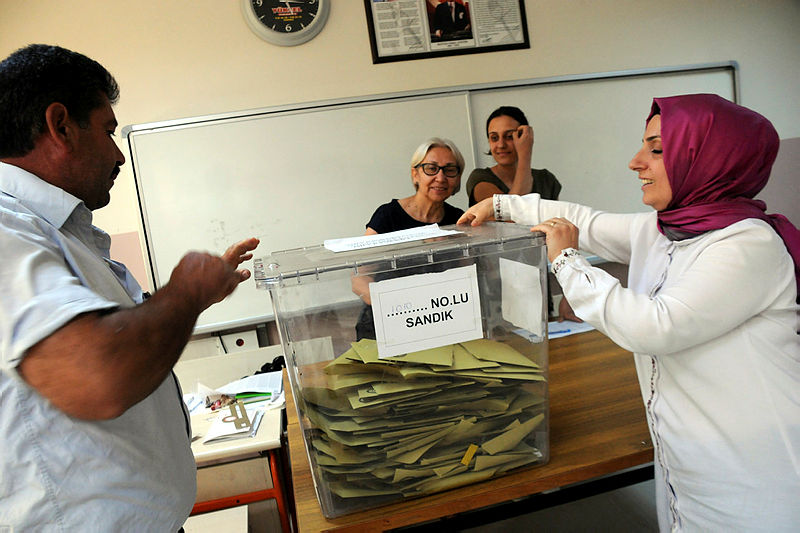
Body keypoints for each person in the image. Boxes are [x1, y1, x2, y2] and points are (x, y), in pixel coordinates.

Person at [459, 93, 800, 531]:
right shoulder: (664, 230)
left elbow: (655, 326)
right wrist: (503, 206)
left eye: (657, 149)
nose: (636, 161)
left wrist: (567, 263)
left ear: (709, 159)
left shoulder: (747, 244)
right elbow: (585, 219)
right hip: (687, 466)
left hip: (754, 475)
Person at [0, 44, 259, 530]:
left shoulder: (55, 231)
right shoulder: (7, 228)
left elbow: (116, 341)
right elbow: (97, 376)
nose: (118, 154)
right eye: (108, 131)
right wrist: (186, 290)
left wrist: (193, 297)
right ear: (60, 126)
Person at [467, 106, 578, 321]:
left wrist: (569, 293)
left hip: (536, 279)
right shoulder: (479, 178)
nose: (500, 144)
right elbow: (510, 214)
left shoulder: (546, 179)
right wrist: (525, 155)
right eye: (493, 137)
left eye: (509, 137)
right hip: (496, 285)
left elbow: (560, 235)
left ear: (523, 136)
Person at [352, 137, 465, 339]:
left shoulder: (459, 220)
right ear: (415, 174)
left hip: (442, 326)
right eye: (431, 168)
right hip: (385, 328)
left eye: (449, 170)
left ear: (457, 178)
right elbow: (359, 278)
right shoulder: (387, 215)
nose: (440, 177)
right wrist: (402, 308)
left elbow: (467, 277)